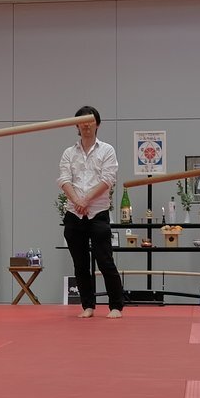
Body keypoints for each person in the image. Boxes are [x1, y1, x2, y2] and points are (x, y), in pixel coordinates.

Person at [59, 105, 125, 319]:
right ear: (76, 125)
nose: (86, 124)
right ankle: (88, 306)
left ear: (97, 123)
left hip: (98, 213)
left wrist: (86, 199)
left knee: (105, 260)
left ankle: (116, 306)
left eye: (90, 120)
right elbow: (64, 180)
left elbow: (108, 179)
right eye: (82, 121)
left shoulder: (107, 150)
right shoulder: (69, 153)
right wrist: (77, 201)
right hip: (74, 213)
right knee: (80, 264)